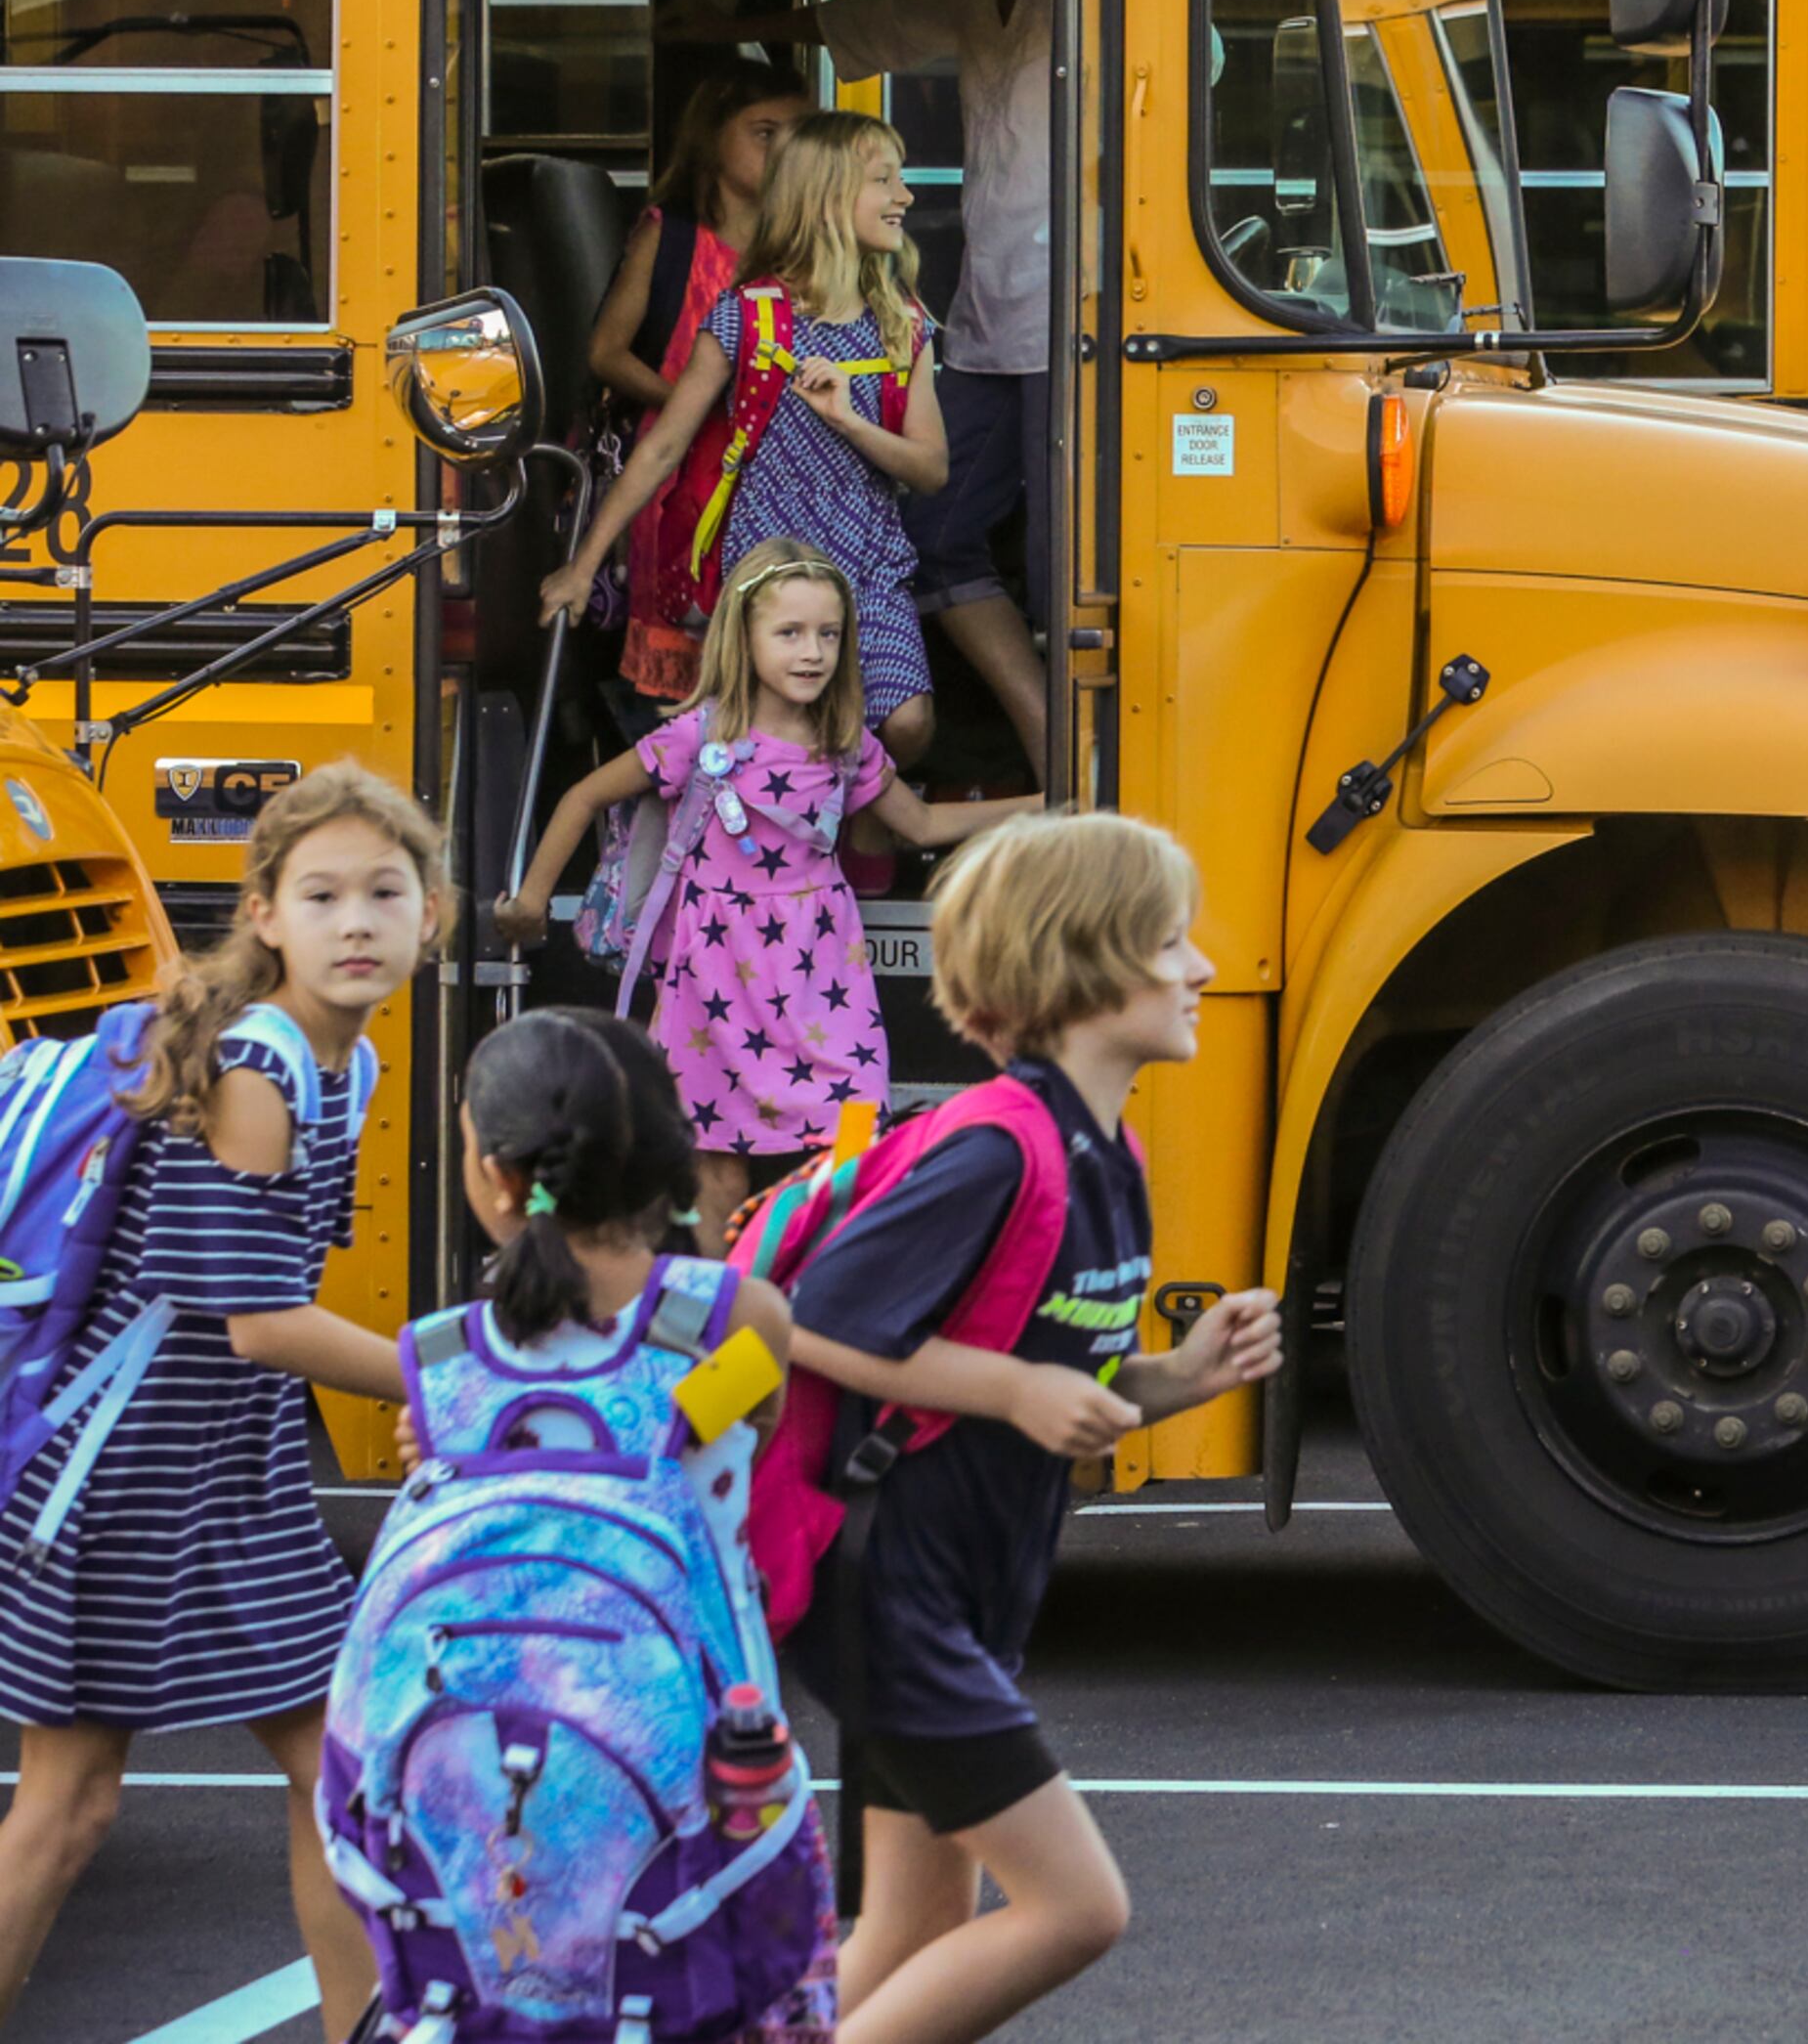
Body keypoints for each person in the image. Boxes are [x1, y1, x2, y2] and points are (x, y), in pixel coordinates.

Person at [776, 812, 1282, 2044]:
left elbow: (1063, 1369)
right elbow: (805, 1319)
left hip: (955, 1589)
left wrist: (1177, 1378)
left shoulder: (1102, 1150)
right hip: (890, 1588)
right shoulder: (996, 1146)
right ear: (1083, 963)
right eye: (1169, 941)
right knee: (1074, 1908)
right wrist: (1010, 1393)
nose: (1202, 967)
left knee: (909, 1933)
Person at [0, 763, 445, 2039]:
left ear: (432, 916)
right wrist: (456, 1374)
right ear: (263, 916)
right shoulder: (257, 1069)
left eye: (384, 892)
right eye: (321, 895)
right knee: (69, 1805)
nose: (355, 921)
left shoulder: (338, 1067)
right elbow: (257, 1323)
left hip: (230, 1472)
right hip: (124, 1476)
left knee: (336, 1779)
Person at [409, 1005, 839, 2041]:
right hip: (702, 1752)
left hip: (485, 1775)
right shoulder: (732, 1323)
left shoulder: (434, 1362)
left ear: (495, 1176)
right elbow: (752, 1420)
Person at [501, 543, 1036, 1248]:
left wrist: (1049, 803)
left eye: (829, 634)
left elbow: (921, 823)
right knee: (716, 1156)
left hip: (820, 971)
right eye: (790, 633)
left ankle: (808, 1290)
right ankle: (732, 1312)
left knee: (850, 1136)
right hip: (713, 969)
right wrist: (531, 900)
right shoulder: (701, 736)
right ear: (741, 638)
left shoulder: (846, 743)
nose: (812, 652)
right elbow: (581, 797)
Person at [667, 0, 1059, 780]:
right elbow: (865, 18)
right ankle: (1052, 747)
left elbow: (1193, 55)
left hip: (1083, 323)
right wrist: (731, 26)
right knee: (942, 533)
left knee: (1062, 559)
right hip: (995, 318)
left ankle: (1077, 761)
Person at [542, 112, 951, 766]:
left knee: (904, 722)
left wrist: (849, 420)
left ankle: (858, 857)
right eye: (884, 181)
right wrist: (582, 565)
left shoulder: (903, 325)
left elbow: (930, 469)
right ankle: (804, 863)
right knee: (783, 739)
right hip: (769, 568)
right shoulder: (749, 314)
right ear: (825, 200)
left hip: (871, 564)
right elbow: (663, 447)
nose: (905, 196)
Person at [586, 63, 812, 705]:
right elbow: (607, 352)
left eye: (799, 134)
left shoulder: (800, 244)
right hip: (677, 476)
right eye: (764, 132)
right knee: (687, 676)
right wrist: (696, 406)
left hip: (774, 474)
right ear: (713, 137)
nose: (783, 150)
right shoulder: (673, 235)